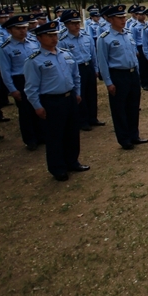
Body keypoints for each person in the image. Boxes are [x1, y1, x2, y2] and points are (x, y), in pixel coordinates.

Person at [24, 20, 89, 181]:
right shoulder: (34, 60)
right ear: (39, 38)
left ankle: (72, 161)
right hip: (51, 101)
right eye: (49, 35)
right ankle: (57, 168)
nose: (54, 38)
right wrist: (37, 106)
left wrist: (77, 92)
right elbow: (31, 87)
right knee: (55, 135)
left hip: (70, 98)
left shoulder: (65, 54)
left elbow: (76, 75)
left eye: (55, 35)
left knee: (72, 132)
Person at [96, 4, 148, 150]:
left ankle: (134, 135)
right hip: (118, 75)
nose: (123, 20)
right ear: (111, 19)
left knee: (133, 106)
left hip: (132, 74)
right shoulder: (104, 38)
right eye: (119, 18)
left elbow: (133, 55)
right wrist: (108, 82)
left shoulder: (127, 34)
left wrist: (137, 74)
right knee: (120, 109)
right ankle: (124, 138)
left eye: (124, 17)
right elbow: (103, 62)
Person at [0, 14, 43, 150]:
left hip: (36, 78)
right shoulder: (5, 48)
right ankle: (30, 139)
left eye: (24, 28)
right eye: (18, 28)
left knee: (39, 107)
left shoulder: (34, 42)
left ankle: (41, 135)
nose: (22, 31)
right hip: (20, 80)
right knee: (25, 111)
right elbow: (5, 72)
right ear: (9, 30)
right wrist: (12, 89)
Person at [59, 10, 104, 131]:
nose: (76, 26)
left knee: (91, 93)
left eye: (78, 23)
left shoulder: (86, 36)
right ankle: (82, 120)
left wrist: (95, 68)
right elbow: (62, 60)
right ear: (66, 25)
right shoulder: (62, 40)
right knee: (80, 94)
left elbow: (93, 54)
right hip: (76, 68)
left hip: (88, 66)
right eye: (73, 23)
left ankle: (93, 118)